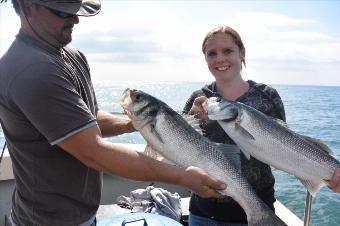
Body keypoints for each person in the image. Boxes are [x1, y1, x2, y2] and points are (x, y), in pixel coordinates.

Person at [0, 1, 226, 225]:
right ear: (28, 7)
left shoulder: (72, 56)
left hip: (83, 215)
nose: (75, 19)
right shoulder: (31, 69)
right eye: (63, 12)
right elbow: (95, 152)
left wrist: (138, 122)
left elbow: (90, 119)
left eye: (76, 11)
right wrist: (180, 175)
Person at [183, 25, 286, 226]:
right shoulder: (197, 99)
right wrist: (193, 118)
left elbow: (283, 150)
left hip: (259, 211)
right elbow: (181, 148)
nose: (219, 59)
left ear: (242, 53)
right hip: (204, 212)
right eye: (212, 53)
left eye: (227, 51)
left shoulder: (267, 97)